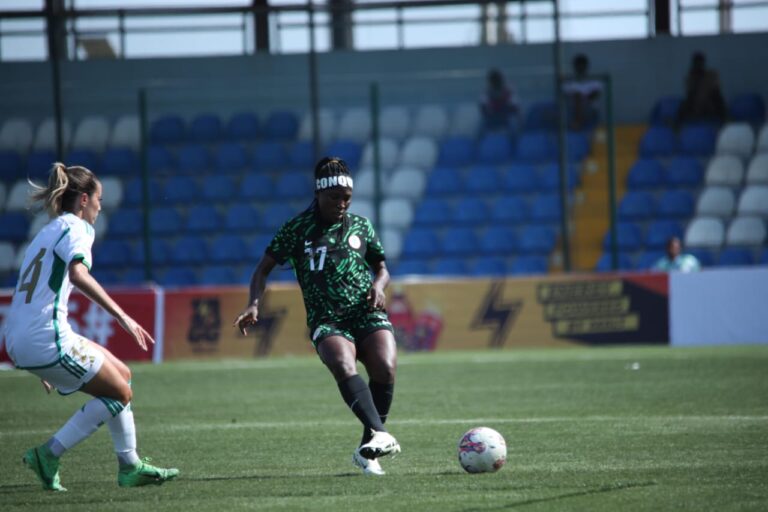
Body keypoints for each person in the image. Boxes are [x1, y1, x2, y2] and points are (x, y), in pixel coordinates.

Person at [4, 163, 178, 491]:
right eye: (98, 199)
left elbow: (30, 289)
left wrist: (33, 352)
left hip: (22, 334)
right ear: (84, 199)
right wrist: (121, 316)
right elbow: (78, 275)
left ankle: (130, 465)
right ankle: (52, 454)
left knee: (123, 375)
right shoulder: (78, 229)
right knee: (120, 393)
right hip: (44, 336)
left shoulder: (46, 230)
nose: (101, 206)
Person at [234, 157, 401, 476]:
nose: (341, 203)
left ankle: (370, 447)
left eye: (346, 198)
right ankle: (380, 436)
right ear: (319, 194)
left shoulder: (361, 226)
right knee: (342, 364)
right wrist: (254, 303)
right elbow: (262, 269)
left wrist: (379, 286)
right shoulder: (297, 229)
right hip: (327, 319)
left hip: (365, 312)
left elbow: (381, 267)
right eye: (334, 197)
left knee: (386, 367)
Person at [677, 51, 726, 127]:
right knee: (683, 105)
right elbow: (690, 96)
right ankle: (678, 128)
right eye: (696, 63)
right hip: (695, 109)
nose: (698, 66)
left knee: (718, 99)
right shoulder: (691, 78)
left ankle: (725, 123)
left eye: (700, 63)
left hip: (710, 108)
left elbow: (716, 93)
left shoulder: (710, 76)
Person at [562, 53, 602, 131]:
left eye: (582, 65)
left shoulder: (594, 82)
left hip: (590, 112)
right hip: (572, 112)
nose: (580, 68)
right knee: (576, 98)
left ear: (586, 66)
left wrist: (582, 98)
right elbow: (567, 97)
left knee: (579, 98)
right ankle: (577, 123)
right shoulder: (569, 83)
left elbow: (594, 96)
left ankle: (577, 124)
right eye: (578, 66)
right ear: (575, 67)